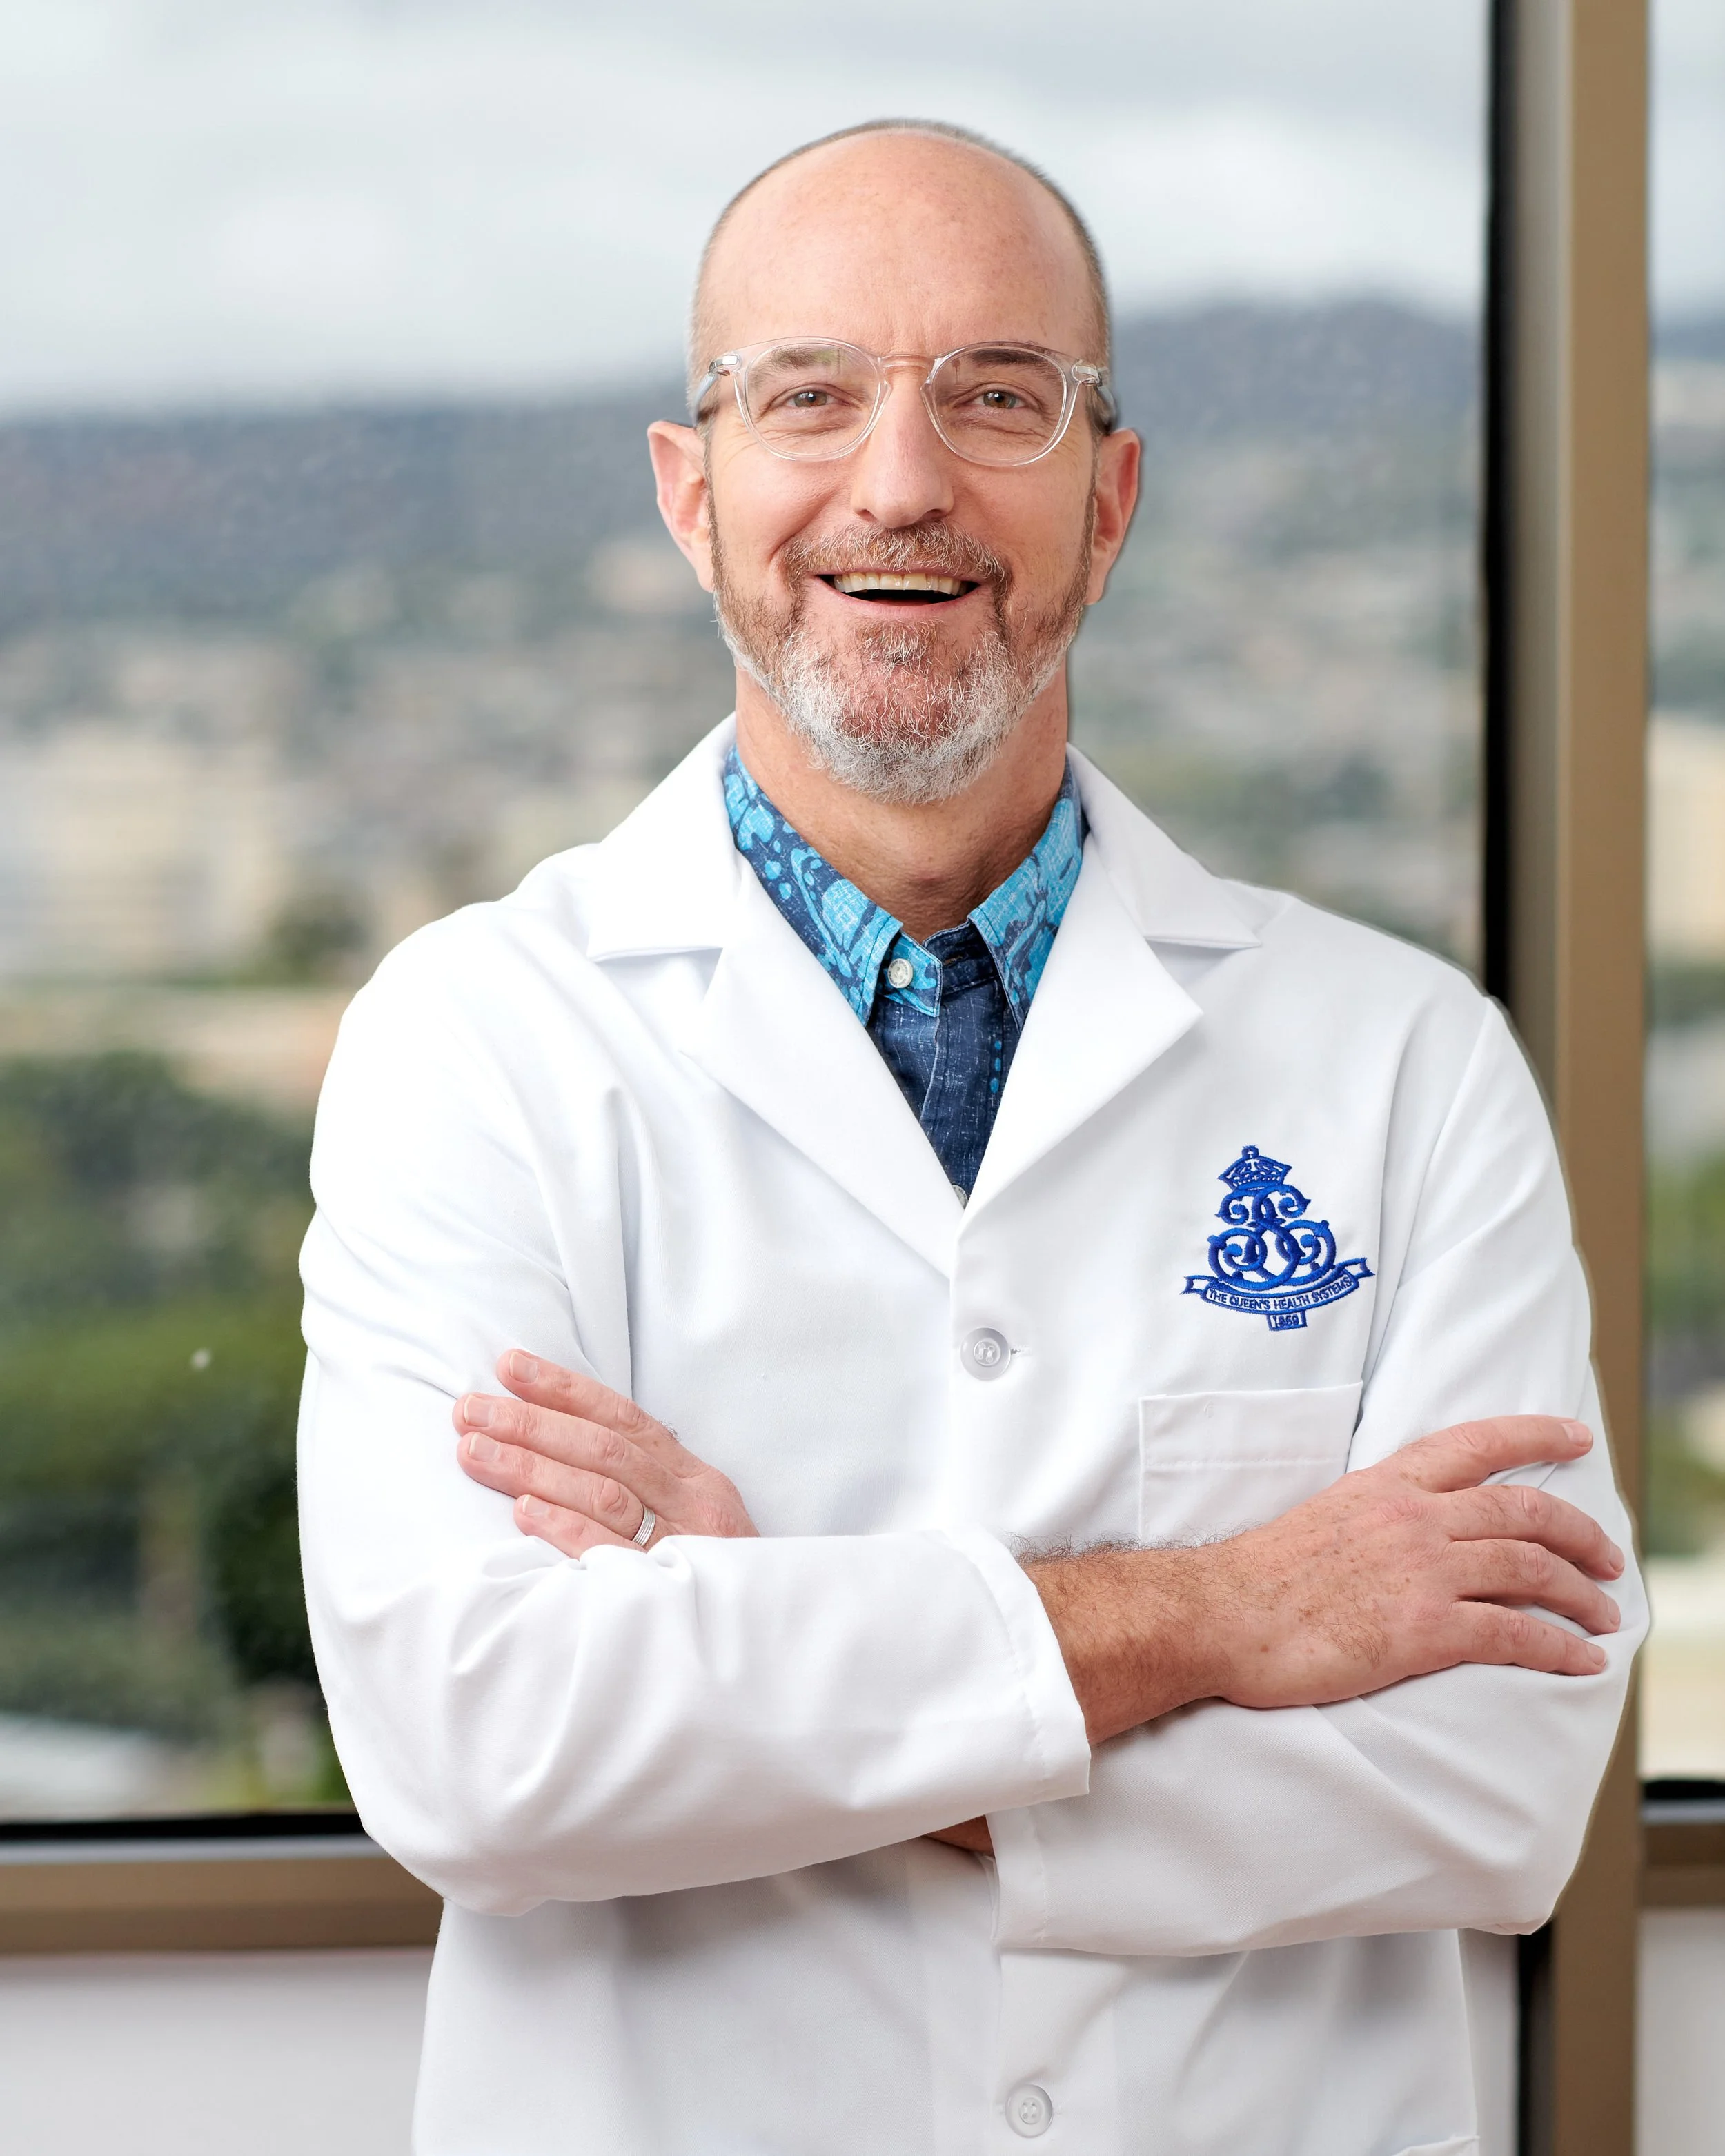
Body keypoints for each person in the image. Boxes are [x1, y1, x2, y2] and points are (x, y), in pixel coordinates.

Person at [299, 120, 1645, 2156]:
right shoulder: (474, 1041)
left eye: (998, 396)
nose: (901, 479)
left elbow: (1495, 1790)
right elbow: (483, 1746)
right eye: (807, 396)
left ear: (1109, 498)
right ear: (691, 491)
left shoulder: (1407, 1063)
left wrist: (761, 1634)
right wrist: (1233, 1611)